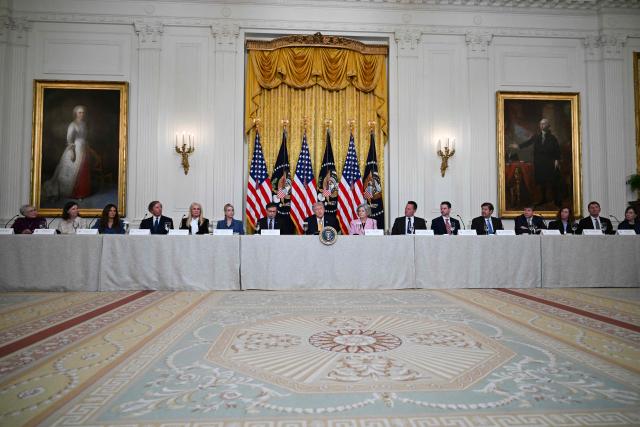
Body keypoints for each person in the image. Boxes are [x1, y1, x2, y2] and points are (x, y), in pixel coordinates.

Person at [42, 105, 92, 200]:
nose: (81, 114)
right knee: (74, 171)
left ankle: (83, 193)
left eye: (83, 112)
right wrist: (72, 152)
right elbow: (69, 139)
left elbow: (85, 137)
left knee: (83, 171)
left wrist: (86, 147)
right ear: (75, 114)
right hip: (76, 149)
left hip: (84, 150)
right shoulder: (72, 125)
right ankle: (75, 194)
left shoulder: (84, 124)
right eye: (79, 112)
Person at [510, 118, 562, 207]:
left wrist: (557, 160)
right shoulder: (536, 136)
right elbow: (528, 142)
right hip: (539, 162)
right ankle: (543, 199)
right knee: (541, 181)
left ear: (548, 126)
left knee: (552, 181)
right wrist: (518, 146)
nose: (542, 125)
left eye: (544, 124)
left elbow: (557, 150)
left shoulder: (552, 138)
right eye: (541, 124)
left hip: (549, 162)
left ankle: (556, 200)